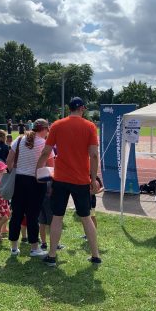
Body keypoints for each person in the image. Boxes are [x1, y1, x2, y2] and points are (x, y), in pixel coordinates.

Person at [36, 97, 101, 266]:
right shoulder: (89, 126)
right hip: (80, 179)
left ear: (69, 108)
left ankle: (51, 255)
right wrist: (93, 179)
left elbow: (46, 151)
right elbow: (94, 155)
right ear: (82, 109)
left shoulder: (57, 125)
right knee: (86, 217)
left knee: (57, 217)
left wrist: (38, 170)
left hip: (61, 178)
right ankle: (95, 255)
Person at [7, 119, 53, 257]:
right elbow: (51, 167)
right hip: (37, 181)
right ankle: (34, 248)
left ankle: (14, 248)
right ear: (44, 129)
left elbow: (9, 160)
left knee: (17, 214)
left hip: (20, 180)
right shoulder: (44, 144)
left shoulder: (20, 139)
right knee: (33, 216)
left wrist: (13, 171)